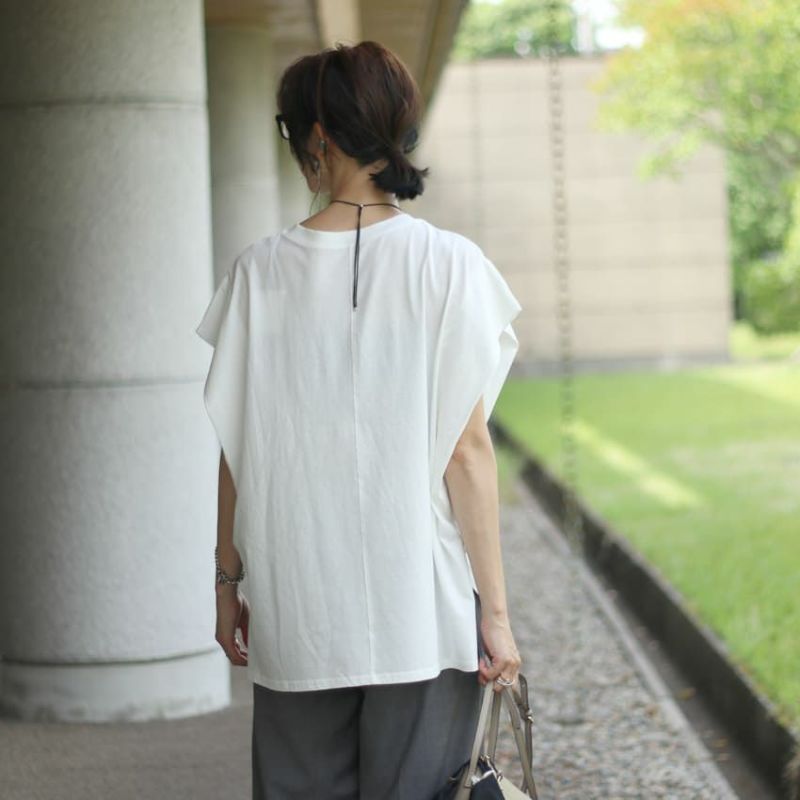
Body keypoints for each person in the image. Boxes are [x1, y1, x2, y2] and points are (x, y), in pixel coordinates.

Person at [196, 39, 524, 800]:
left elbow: (238, 448)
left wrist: (226, 583)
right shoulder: (449, 265)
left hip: (298, 603)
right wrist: (497, 616)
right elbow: (466, 453)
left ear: (317, 138)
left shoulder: (256, 274)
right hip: (420, 605)